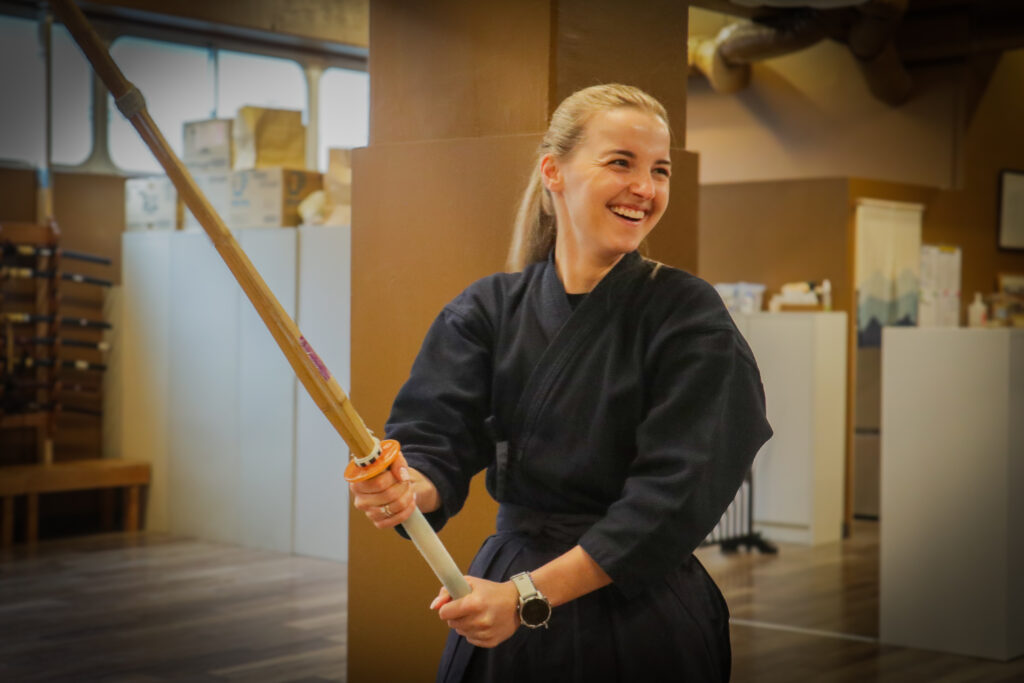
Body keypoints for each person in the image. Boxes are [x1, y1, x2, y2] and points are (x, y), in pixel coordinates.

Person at [349, 83, 772, 682]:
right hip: (504, 595)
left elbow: (677, 493)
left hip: (637, 602)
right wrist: (404, 488)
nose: (645, 188)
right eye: (620, 162)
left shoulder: (686, 314)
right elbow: (434, 438)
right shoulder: (488, 310)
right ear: (555, 171)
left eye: (660, 170)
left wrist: (525, 596)